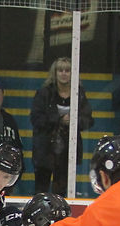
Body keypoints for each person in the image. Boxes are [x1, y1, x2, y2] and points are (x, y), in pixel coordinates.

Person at [30, 57, 93, 196]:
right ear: (55, 73)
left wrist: (74, 121)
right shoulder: (44, 93)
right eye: (60, 70)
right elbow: (36, 118)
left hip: (68, 151)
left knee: (62, 192)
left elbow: (88, 119)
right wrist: (59, 120)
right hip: (45, 149)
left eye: (67, 70)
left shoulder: (79, 93)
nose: (64, 73)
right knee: (41, 190)